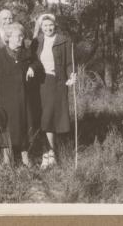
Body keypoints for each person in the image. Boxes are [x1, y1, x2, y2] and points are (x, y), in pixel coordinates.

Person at [0, 22, 39, 167]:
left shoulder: (27, 53)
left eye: (22, 36)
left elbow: (37, 63)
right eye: (17, 36)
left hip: (23, 98)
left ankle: (25, 156)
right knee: (7, 127)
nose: (20, 39)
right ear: (8, 37)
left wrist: (32, 67)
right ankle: (7, 158)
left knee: (25, 125)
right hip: (6, 98)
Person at [32, 13, 77, 169]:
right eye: (44, 26)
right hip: (39, 84)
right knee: (44, 119)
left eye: (50, 25)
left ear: (55, 25)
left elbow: (69, 63)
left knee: (49, 118)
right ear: (41, 27)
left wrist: (72, 75)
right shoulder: (36, 41)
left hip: (56, 83)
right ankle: (49, 154)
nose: (48, 28)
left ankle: (49, 154)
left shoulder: (63, 40)